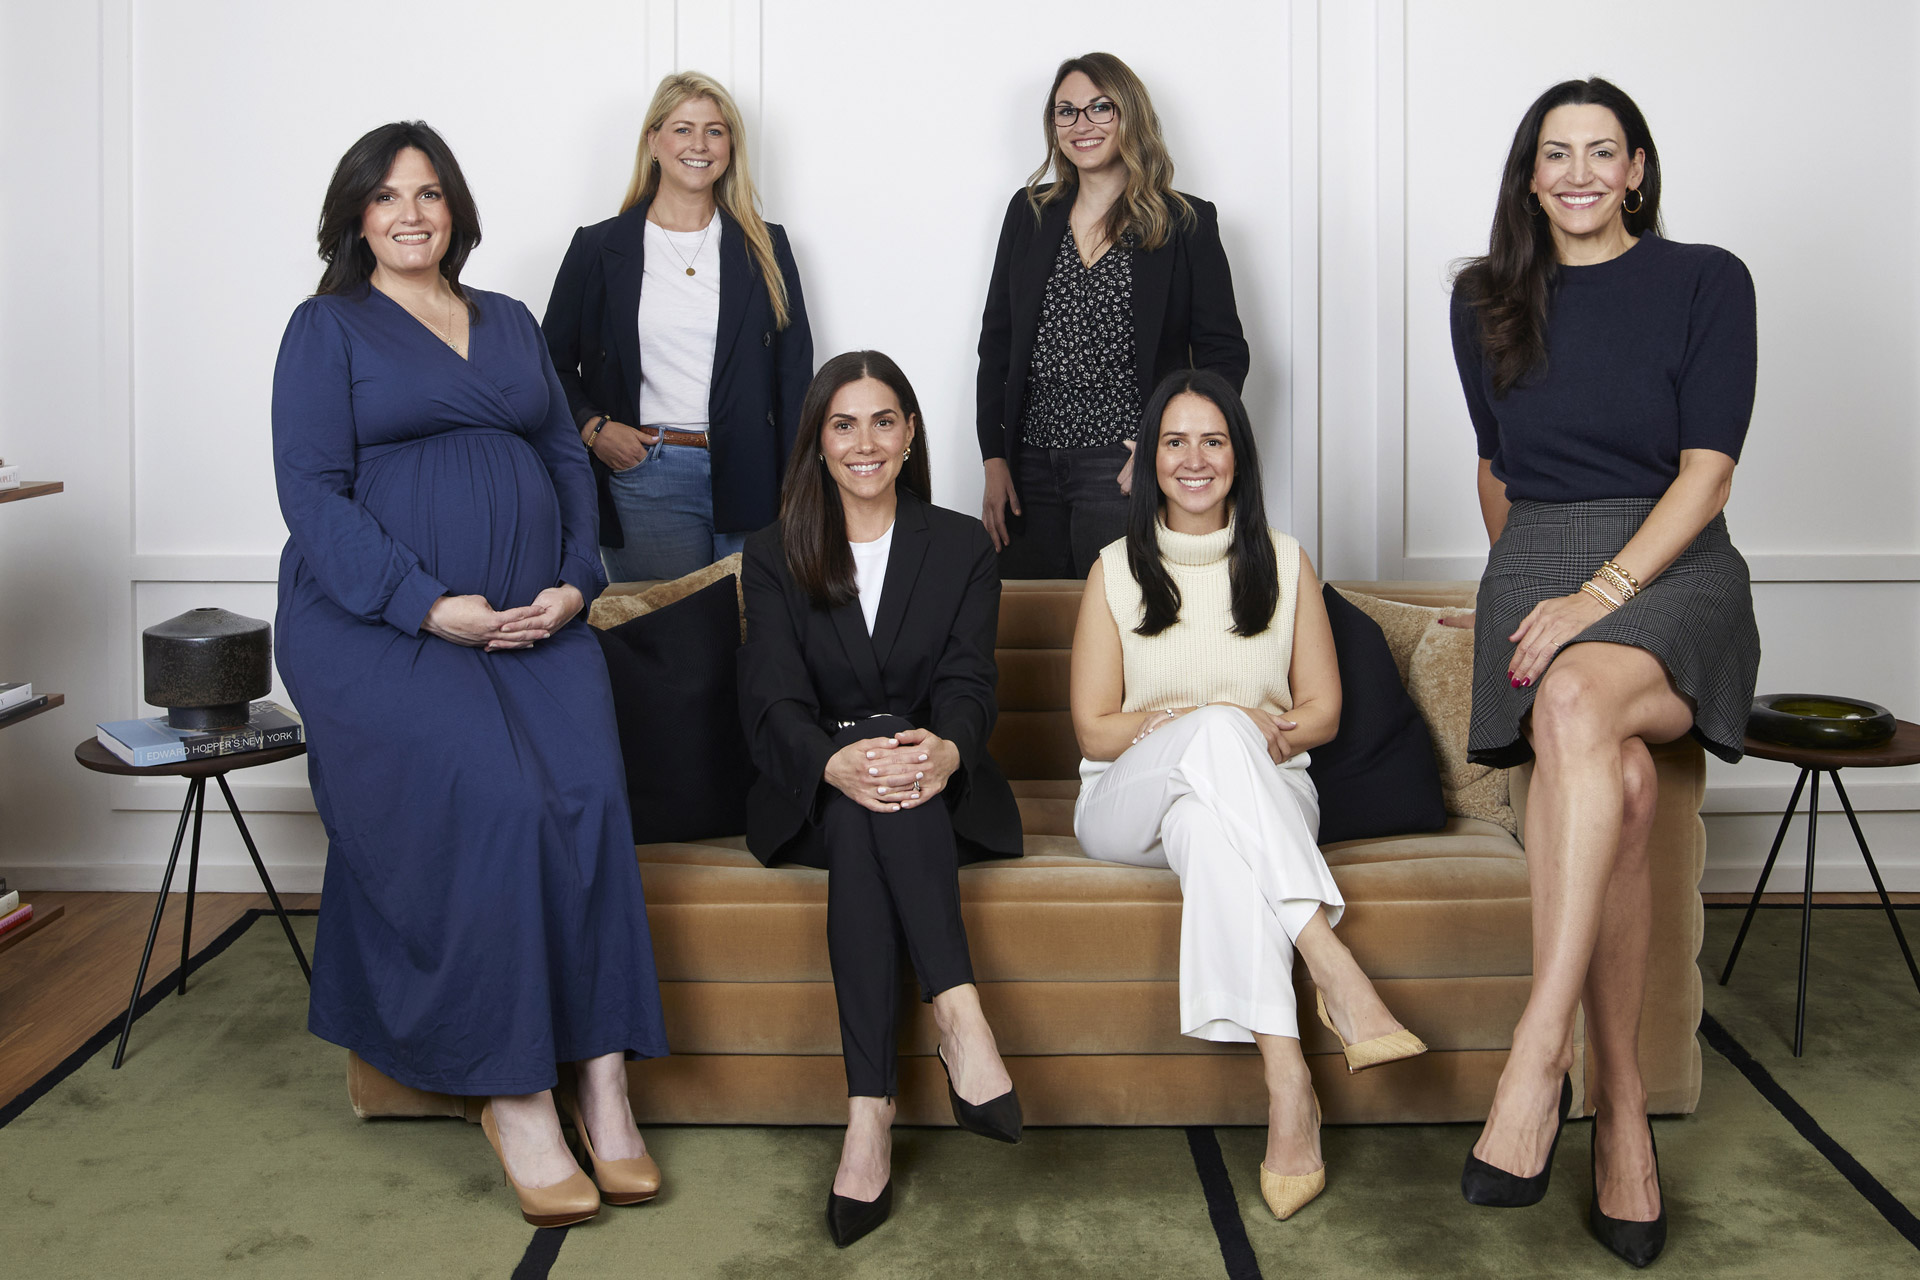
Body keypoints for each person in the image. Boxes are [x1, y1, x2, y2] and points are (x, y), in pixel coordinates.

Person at [273, 121, 669, 1229]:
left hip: (534, 620)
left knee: (585, 795)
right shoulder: (326, 329)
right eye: (389, 196)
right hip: (379, 625)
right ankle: (514, 1087)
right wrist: (422, 602)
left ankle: (600, 1069)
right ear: (356, 215)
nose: (412, 213)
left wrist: (573, 579)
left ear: (457, 210)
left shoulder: (506, 320)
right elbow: (311, 494)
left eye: (431, 194)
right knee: (494, 799)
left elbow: (559, 454)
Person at [1449, 77, 1759, 1269]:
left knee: (1581, 692)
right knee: (1618, 781)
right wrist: (1527, 591)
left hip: (1671, 570)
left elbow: (1708, 475)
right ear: (1530, 175)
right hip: (1538, 567)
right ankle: (1623, 1113)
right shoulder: (1485, 299)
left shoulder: (1706, 280)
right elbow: (1493, 468)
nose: (1578, 173)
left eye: (1602, 152)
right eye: (1554, 154)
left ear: (1636, 167)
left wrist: (1596, 600)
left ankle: (1538, 1056)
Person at [1070, 369, 1426, 1222]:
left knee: (1211, 822)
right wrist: (1213, 721)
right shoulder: (1114, 570)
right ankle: (1334, 970)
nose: (1195, 460)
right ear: (1151, 458)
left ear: (1240, 454)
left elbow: (1324, 713)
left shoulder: (1287, 561)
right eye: (1175, 441)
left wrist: (1246, 733)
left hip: (1264, 795)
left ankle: (1289, 1087)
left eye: (1214, 440)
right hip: (1127, 804)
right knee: (1215, 742)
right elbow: (1093, 730)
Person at [737, 351, 1026, 1248]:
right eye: (844, 423)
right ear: (819, 444)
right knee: (867, 803)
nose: (866, 442)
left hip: (934, 776)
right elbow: (772, 700)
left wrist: (944, 749)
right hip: (814, 781)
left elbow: (970, 684)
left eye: (885, 421)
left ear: (909, 437)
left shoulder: (961, 546)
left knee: (887, 808)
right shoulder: (775, 550)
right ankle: (961, 1018)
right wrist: (834, 763)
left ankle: (869, 1117)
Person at [976, 51, 1249, 579]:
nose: (1083, 124)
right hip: (1028, 466)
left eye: (1101, 108)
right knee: (1031, 627)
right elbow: (997, 345)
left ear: (1131, 116)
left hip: (1122, 465)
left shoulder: (1185, 222)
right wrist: (994, 458)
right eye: (1066, 111)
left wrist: (1160, 448)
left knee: (1120, 626)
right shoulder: (1029, 212)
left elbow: (1222, 355)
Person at [544, 71, 813, 583]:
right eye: (683, 129)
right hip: (648, 474)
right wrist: (594, 430)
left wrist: (796, 482)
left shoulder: (767, 247)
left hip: (752, 473)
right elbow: (547, 360)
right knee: (667, 644)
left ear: (731, 146)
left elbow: (794, 376)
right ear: (653, 141)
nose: (699, 144)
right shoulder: (599, 248)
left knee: (757, 639)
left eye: (715, 130)